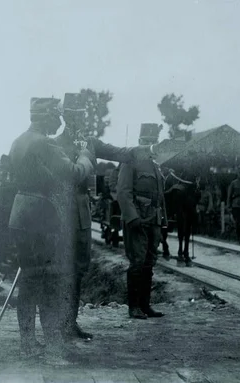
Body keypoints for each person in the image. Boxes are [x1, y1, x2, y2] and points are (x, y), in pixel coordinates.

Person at [8, 96, 95, 361]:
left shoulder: (18, 141)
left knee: (29, 280)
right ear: (45, 116)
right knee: (47, 280)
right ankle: (50, 341)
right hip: (42, 216)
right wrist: (85, 156)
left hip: (21, 212)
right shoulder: (45, 143)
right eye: (56, 116)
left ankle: (28, 341)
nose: (59, 121)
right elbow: (73, 172)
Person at [55, 92, 144, 341]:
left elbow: (121, 153)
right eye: (75, 116)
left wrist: (148, 149)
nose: (80, 120)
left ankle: (69, 323)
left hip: (82, 210)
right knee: (61, 269)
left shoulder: (91, 142)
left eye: (82, 115)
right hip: (60, 210)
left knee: (79, 269)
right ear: (65, 117)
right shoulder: (54, 144)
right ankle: (58, 324)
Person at [116, 145, 166, 320]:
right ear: (140, 143)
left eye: (152, 143)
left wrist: (163, 220)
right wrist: (132, 217)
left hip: (153, 221)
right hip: (138, 220)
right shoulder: (130, 163)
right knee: (137, 261)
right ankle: (134, 307)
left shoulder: (155, 166)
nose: (150, 147)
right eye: (147, 143)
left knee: (149, 262)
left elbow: (160, 196)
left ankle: (145, 305)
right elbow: (123, 191)